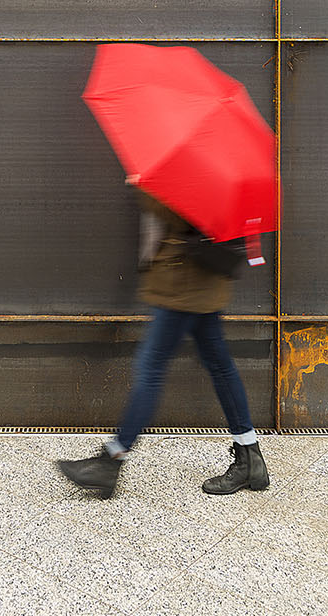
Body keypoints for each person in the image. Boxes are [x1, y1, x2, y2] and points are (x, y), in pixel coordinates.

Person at [55, 187, 269, 500]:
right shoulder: (211, 166)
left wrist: (147, 187)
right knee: (219, 365)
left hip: (183, 283)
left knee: (150, 367)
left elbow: (175, 211)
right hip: (202, 283)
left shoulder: (191, 172)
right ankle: (250, 457)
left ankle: (111, 461)